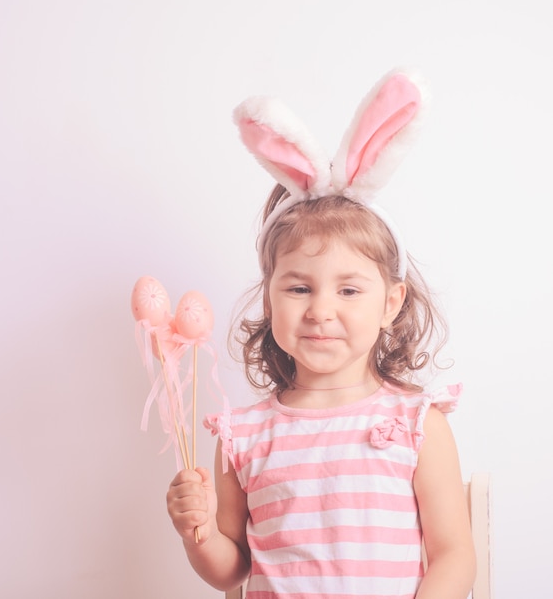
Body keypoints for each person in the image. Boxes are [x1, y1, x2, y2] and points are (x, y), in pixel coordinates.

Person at [166, 71, 476, 598]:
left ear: (390, 304)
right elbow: (230, 569)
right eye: (299, 289)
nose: (321, 311)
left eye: (349, 291)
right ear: (270, 299)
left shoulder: (416, 424)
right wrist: (197, 535)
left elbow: (453, 556)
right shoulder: (243, 438)